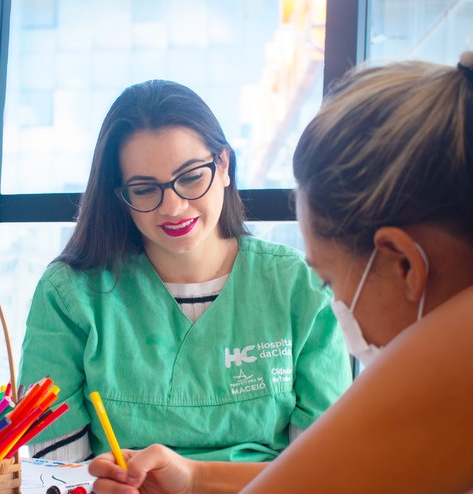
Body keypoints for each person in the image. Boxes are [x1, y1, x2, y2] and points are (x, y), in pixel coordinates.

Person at [88, 29, 473, 494]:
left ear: (404, 263)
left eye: (328, 279)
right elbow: (388, 492)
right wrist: (200, 483)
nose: (332, 301)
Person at [18, 79, 349, 464]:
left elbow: (322, 472)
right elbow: (61, 477)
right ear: (119, 197)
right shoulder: (68, 295)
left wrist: (204, 492)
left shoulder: (299, 288)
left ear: (223, 164)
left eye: (191, 178)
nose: (173, 207)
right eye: (144, 190)